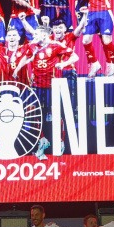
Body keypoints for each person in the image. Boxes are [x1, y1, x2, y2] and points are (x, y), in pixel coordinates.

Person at [13, 23, 78, 159]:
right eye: (34, 34)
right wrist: (17, 69)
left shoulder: (55, 45)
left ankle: (60, 142)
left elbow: (75, 57)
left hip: (52, 86)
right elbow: (26, 57)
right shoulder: (33, 46)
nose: (35, 37)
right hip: (37, 86)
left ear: (46, 34)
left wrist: (64, 64)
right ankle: (42, 141)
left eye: (37, 34)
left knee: (56, 115)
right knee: (35, 113)